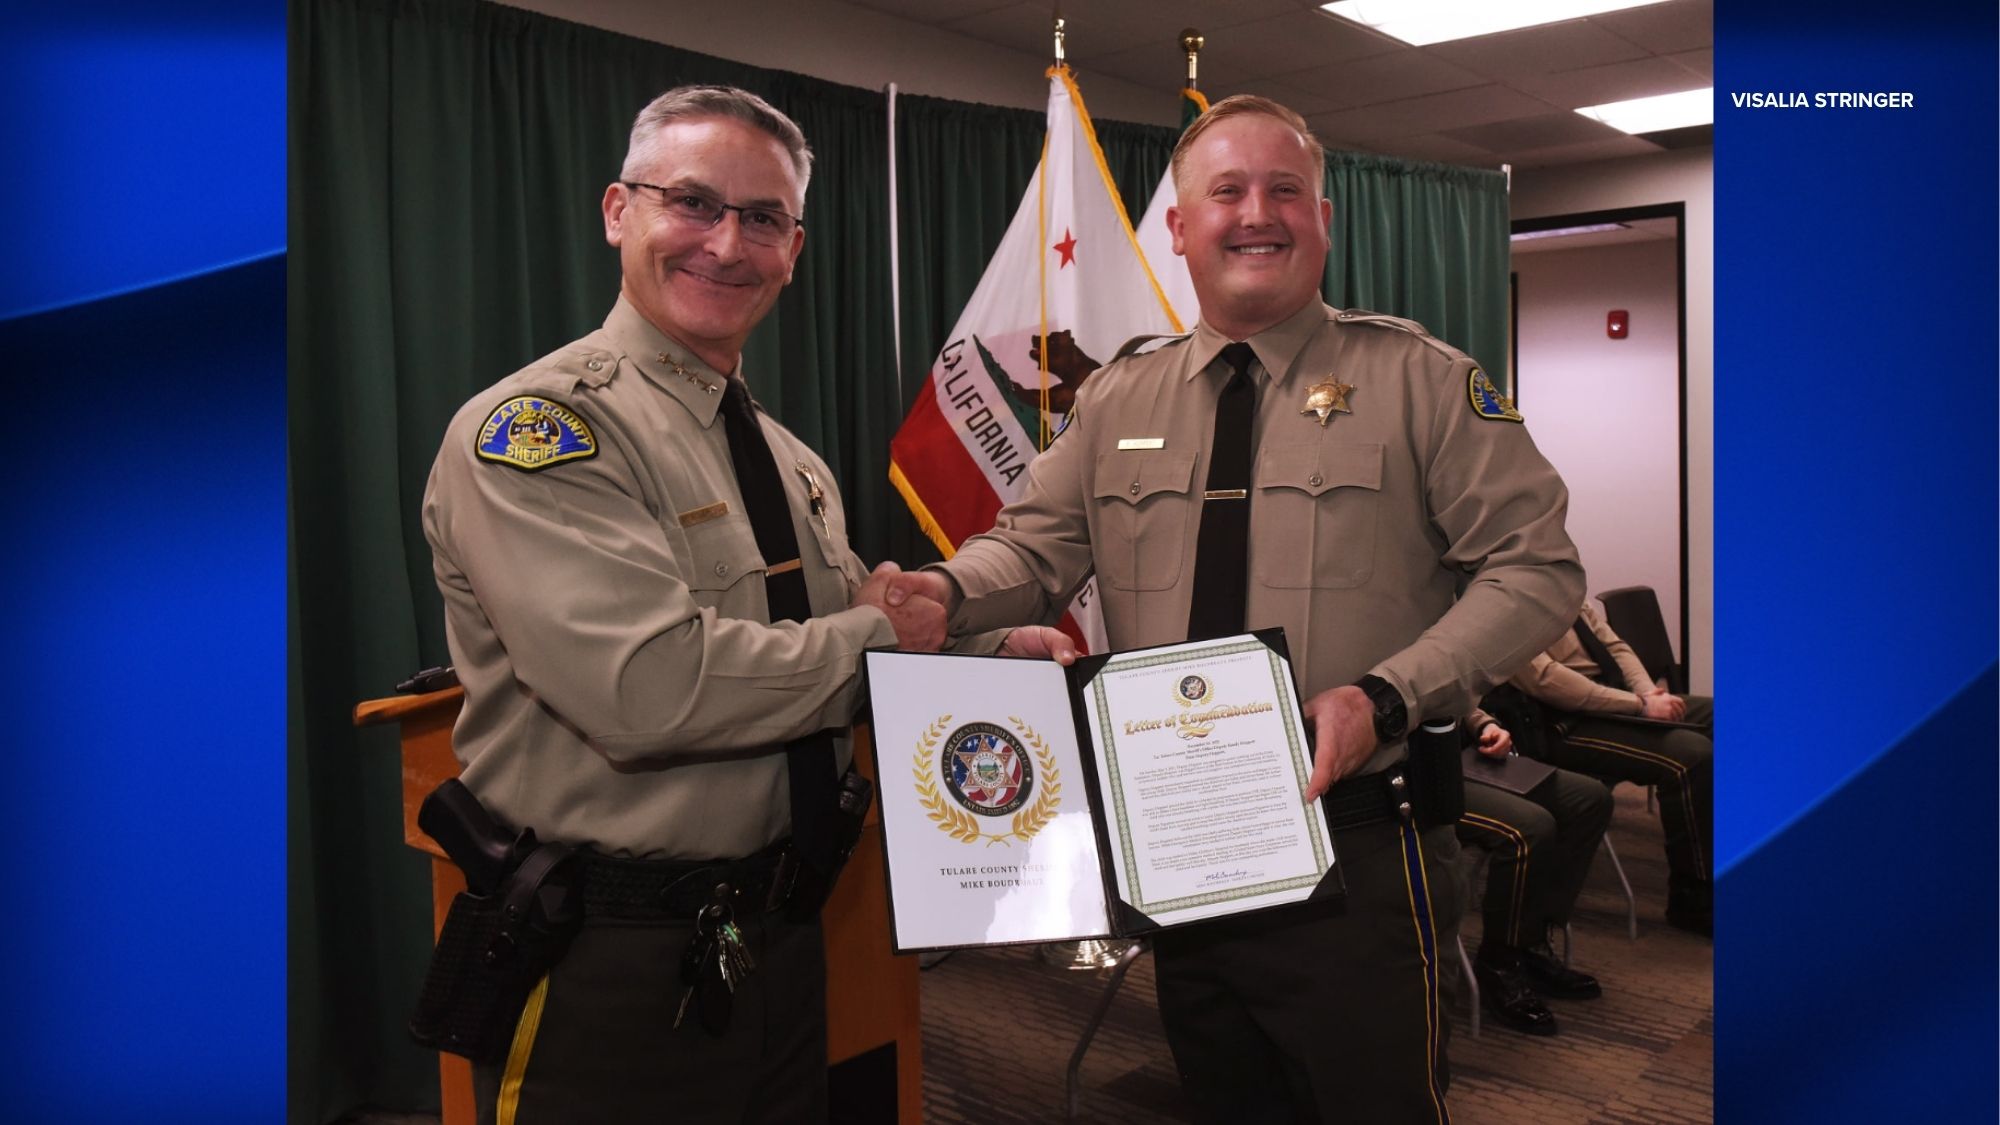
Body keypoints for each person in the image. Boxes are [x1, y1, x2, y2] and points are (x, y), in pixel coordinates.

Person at [884, 94, 1584, 1123]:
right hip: (1180, 842)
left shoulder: (1420, 382)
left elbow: (1535, 571)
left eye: (1283, 190)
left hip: (1355, 847)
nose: (1255, 213)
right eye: (1225, 192)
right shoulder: (1120, 398)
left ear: (1322, 219)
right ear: (1178, 228)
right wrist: (944, 592)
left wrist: (1385, 699)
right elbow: (1034, 547)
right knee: (1220, 1100)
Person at [421, 85, 1063, 1124]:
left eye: (761, 218)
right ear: (616, 212)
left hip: (778, 937)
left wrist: (992, 655)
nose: (726, 243)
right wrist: (887, 631)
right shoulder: (537, 431)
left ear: (794, 248)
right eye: (692, 203)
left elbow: (833, 639)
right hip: (607, 961)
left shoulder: (789, 460)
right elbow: (647, 689)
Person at [1502, 598, 1714, 936]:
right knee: (1690, 756)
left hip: (1613, 700)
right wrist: (1638, 705)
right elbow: (1545, 680)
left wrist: (1648, 694)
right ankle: (1693, 895)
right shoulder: (1502, 601)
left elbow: (1615, 645)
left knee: (1724, 717)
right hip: (1561, 723)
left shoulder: (1561, 580)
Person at [1458, 711, 1613, 1036]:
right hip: (1411, 770)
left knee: (1591, 798)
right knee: (1530, 829)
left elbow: (1451, 692)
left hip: (1461, 751)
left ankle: (1530, 942)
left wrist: (1485, 724)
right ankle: (1498, 961)